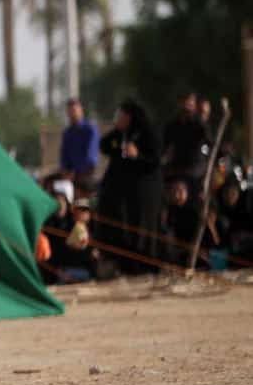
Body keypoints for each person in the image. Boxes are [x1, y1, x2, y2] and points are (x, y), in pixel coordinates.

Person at [97, 100, 163, 276]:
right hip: (122, 194)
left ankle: (145, 266)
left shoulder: (148, 133)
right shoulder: (119, 135)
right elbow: (105, 145)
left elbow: (154, 160)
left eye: (123, 116)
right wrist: (118, 134)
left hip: (144, 194)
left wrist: (137, 154)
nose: (120, 119)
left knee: (142, 230)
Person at [162, 92, 210, 202]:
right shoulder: (172, 125)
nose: (187, 106)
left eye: (190, 103)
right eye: (184, 102)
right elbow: (165, 147)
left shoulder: (199, 124)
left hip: (194, 172)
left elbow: (209, 142)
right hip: (176, 170)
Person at [59, 98, 99, 195]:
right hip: (70, 175)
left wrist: (75, 172)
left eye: (74, 111)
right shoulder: (67, 133)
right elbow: (64, 156)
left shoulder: (90, 130)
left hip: (86, 175)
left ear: (81, 110)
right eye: (70, 111)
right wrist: (65, 171)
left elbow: (90, 157)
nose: (72, 114)